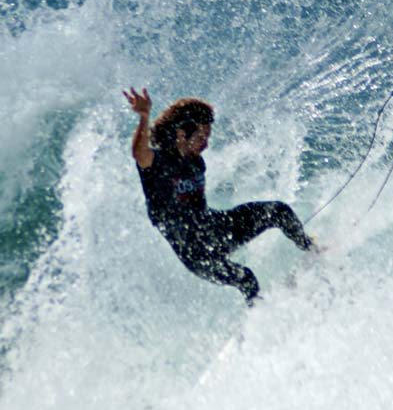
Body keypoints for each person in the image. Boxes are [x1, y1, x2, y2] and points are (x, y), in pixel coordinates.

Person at [123, 86, 318, 305]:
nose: (205, 144)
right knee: (246, 279)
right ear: (181, 134)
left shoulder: (195, 161)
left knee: (279, 211)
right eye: (201, 137)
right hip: (196, 253)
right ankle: (259, 320)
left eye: (207, 137)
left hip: (214, 228)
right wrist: (144, 116)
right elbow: (139, 153)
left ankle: (313, 250)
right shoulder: (157, 162)